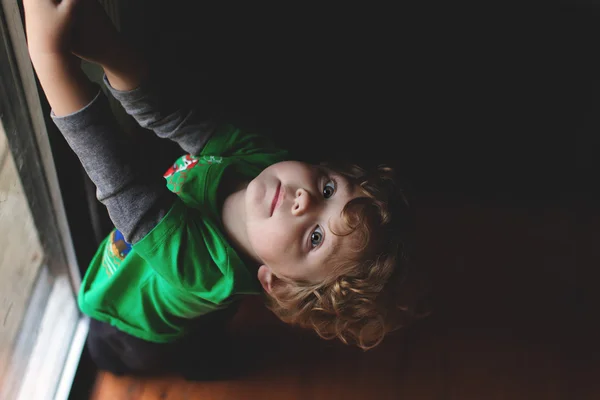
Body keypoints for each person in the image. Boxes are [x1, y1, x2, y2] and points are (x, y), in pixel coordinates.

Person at [23, 0, 423, 377]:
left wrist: (50, 59)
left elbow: (120, 181)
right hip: (187, 289)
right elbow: (176, 116)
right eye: (330, 188)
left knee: (112, 355)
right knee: (209, 323)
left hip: (133, 328)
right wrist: (106, 47)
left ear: (278, 282)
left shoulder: (203, 267)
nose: (305, 200)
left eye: (316, 237)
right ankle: (210, 342)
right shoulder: (263, 160)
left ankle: (202, 362)